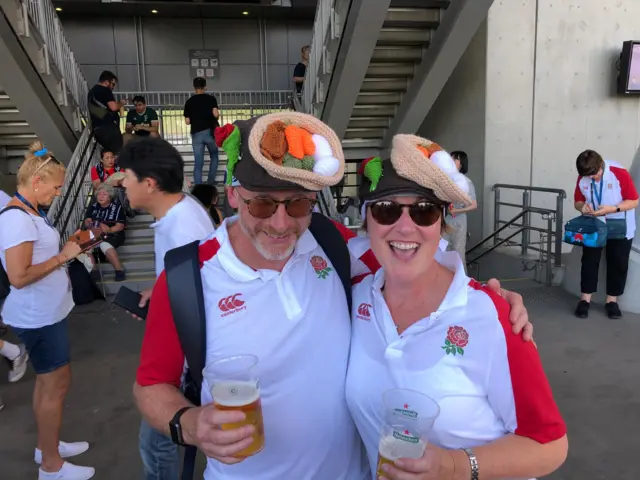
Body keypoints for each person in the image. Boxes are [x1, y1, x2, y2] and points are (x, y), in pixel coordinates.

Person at [132, 112, 532, 480]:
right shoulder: (187, 278)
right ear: (233, 195)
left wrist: (489, 297)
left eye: (299, 203)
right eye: (262, 203)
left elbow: (415, 266)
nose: (281, 223)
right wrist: (189, 424)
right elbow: (151, 384)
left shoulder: (329, 242)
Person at [346, 135, 568, 480]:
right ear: (366, 223)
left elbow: (550, 444)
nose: (405, 227)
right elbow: (284, 227)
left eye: (424, 211)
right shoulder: (356, 296)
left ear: (441, 223)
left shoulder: (491, 314)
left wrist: (454, 466)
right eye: (386, 210)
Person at [118, 137, 215, 480]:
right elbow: (181, 282)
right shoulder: (178, 215)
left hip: (185, 367)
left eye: (126, 175)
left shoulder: (184, 227)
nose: (122, 183)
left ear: (150, 183)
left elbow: (202, 299)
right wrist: (157, 293)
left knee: (157, 445)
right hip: (182, 360)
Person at [0, 142, 94, 480]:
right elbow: (19, 276)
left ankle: (47, 446)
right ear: (37, 182)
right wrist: (64, 256)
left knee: (48, 384)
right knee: (54, 386)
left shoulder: (29, 212)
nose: (58, 193)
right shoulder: (19, 220)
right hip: (37, 316)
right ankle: (52, 466)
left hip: (44, 313)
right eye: (56, 188)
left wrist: (67, 247)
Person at [573, 149, 639, 319]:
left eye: (595, 174)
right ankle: (585, 300)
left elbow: (634, 201)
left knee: (618, 263)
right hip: (595, 224)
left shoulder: (619, 173)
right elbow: (578, 201)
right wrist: (583, 207)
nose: (592, 178)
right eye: (589, 176)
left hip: (619, 224)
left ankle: (612, 301)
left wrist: (612, 209)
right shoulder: (584, 175)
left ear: (601, 165)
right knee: (589, 261)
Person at [83, 183, 126, 282]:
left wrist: (109, 230)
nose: (101, 196)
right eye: (99, 194)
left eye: (104, 194)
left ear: (110, 196)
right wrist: (89, 224)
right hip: (94, 232)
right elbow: (87, 220)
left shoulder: (117, 208)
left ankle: (119, 270)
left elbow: (120, 226)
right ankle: (94, 271)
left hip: (113, 233)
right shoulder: (93, 206)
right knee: (84, 244)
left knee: (104, 244)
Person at [183, 77, 220, 185]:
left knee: (198, 163)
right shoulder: (211, 99)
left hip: (196, 134)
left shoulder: (189, 102)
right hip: (210, 133)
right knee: (214, 155)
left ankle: (198, 185)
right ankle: (210, 182)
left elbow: (187, 121)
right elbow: (216, 114)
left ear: (194, 88)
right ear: (205, 87)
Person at [444, 150, 477, 269]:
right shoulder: (446, 180)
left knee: (458, 252)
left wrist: (457, 211)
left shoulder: (467, 182)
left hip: (459, 221)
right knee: (443, 251)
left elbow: (474, 205)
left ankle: (462, 282)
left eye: (455, 159)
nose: (452, 161)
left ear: (461, 163)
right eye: (451, 158)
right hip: (445, 220)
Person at [88, 71, 127, 155]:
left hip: (97, 129)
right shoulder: (105, 90)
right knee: (118, 154)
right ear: (106, 82)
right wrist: (121, 103)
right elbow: (113, 107)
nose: (113, 87)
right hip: (109, 129)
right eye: (112, 84)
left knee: (108, 154)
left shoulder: (92, 92)